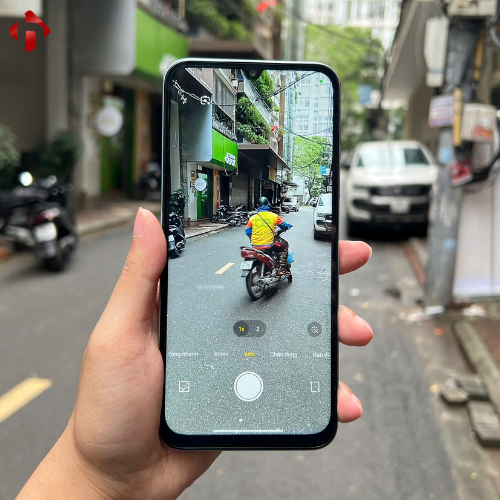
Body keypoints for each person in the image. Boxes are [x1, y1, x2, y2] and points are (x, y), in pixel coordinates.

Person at [18, 208, 374, 500]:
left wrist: (92, 475)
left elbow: (247, 232)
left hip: (253, 253)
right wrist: (95, 473)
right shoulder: (274, 220)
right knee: (284, 250)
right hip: (268, 253)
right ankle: (278, 271)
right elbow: (286, 228)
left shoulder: (254, 219)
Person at [245, 197, 292, 273]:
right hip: (269, 245)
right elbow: (284, 226)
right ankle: (282, 269)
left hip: (255, 246)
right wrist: (289, 226)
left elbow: (247, 232)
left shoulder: (252, 218)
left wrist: (251, 239)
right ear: (268, 205)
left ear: (258, 206)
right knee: (285, 245)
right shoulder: (274, 216)